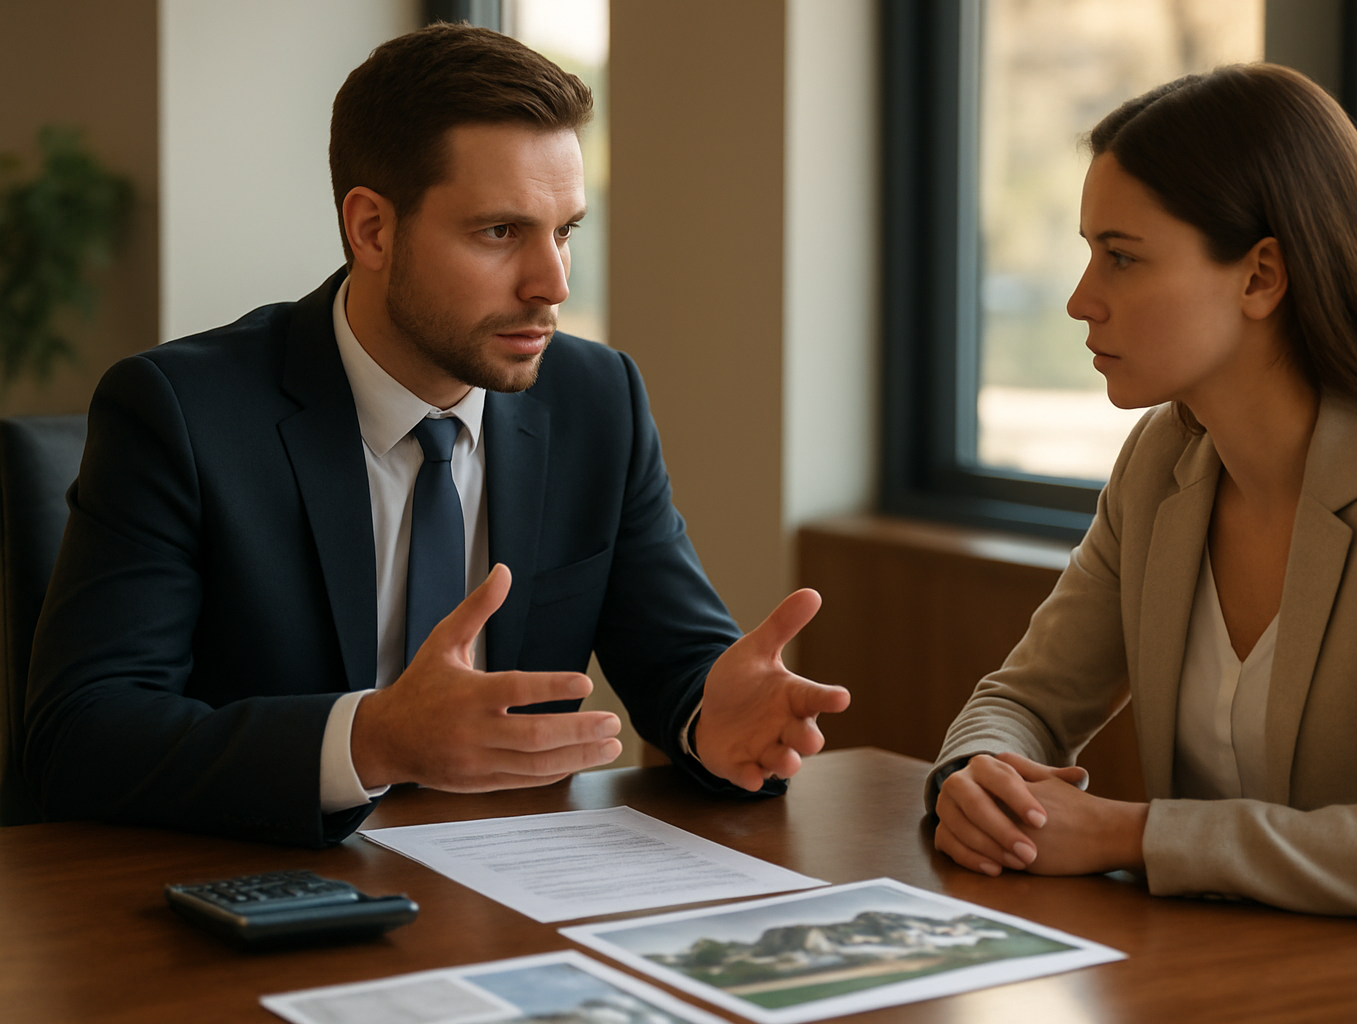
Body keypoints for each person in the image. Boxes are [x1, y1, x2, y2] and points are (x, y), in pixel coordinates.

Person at [22, 23, 849, 847]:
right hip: (250, 895)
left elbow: (677, 661)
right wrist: (372, 738)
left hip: (512, 895)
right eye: (500, 232)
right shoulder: (179, 412)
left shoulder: (599, 400)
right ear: (372, 230)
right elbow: (81, 737)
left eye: (563, 231)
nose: (551, 284)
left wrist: (715, 715)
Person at [928, 63, 1357, 949]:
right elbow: (1024, 701)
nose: (1079, 299)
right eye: (1089, 252)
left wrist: (1128, 835)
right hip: (1226, 978)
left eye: (1122, 257)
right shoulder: (1163, 463)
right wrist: (978, 780)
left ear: (1261, 277)